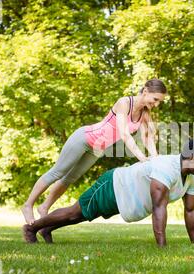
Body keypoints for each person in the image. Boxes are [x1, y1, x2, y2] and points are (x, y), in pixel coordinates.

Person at [22, 79, 167, 225]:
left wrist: (154, 158)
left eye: (159, 101)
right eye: (155, 99)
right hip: (84, 138)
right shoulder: (124, 103)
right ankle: (28, 205)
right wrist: (142, 158)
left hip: (97, 149)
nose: (156, 104)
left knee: (69, 179)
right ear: (146, 91)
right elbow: (124, 134)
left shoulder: (145, 113)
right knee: (58, 172)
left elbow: (148, 138)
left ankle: (44, 207)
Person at [22, 138, 194, 247]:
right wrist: (162, 248)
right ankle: (31, 228)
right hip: (114, 185)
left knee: (82, 216)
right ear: (191, 158)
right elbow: (158, 207)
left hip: (125, 197)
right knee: (75, 213)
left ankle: (47, 228)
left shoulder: (192, 176)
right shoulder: (166, 168)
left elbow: (191, 210)